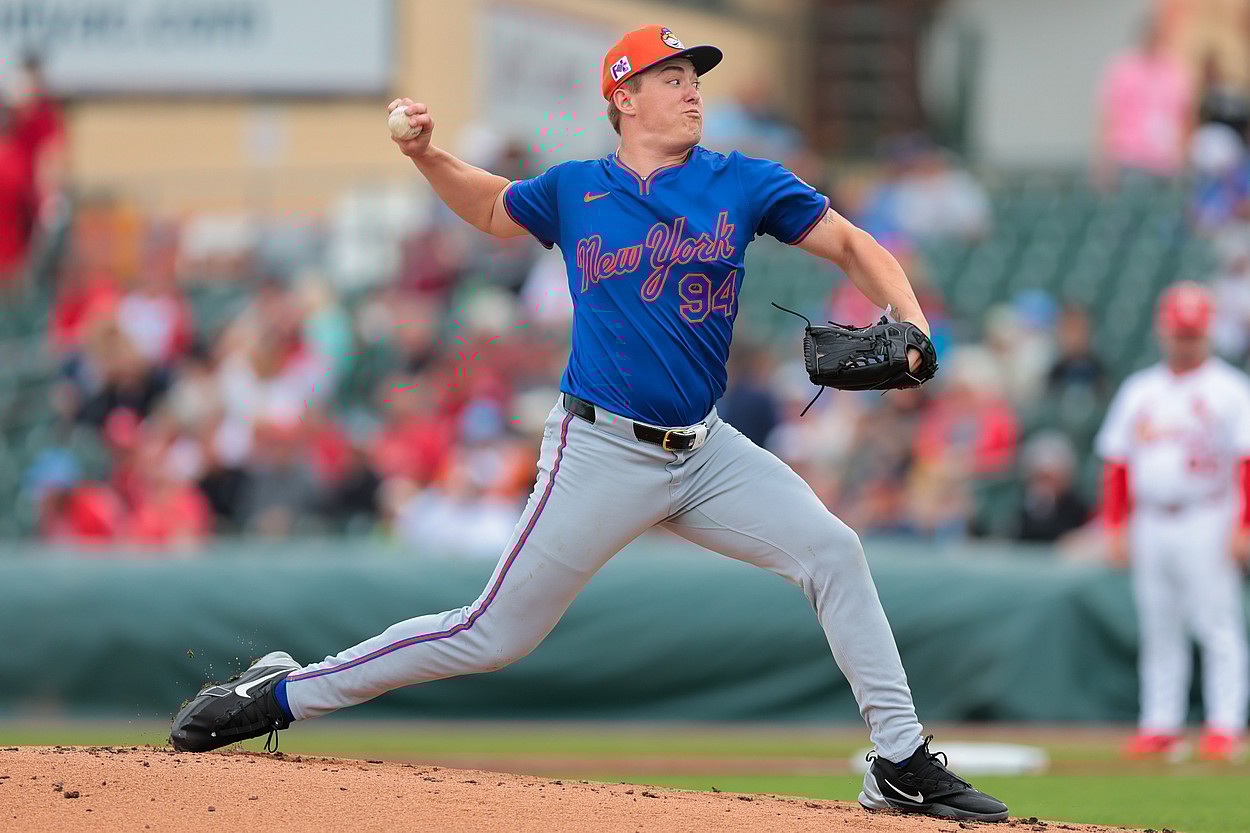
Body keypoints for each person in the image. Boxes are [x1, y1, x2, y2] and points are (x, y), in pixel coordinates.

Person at [169, 25, 1008, 822]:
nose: (690, 91)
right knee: (490, 632)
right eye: (670, 78)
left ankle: (899, 761)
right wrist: (428, 155)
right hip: (599, 448)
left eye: (694, 78)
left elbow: (855, 245)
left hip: (707, 451)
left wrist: (915, 323)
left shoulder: (742, 179)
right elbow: (495, 210)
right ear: (624, 99)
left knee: (834, 550)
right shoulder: (577, 188)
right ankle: (279, 693)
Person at [1096, 281, 1249, 763]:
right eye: (1179, 333)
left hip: (1208, 514)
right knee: (1160, 626)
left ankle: (1225, 725)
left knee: (1217, 624)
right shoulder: (1142, 388)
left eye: (1194, 334)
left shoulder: (1231, 388)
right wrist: (1116, 524)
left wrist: (1243, 525)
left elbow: (1246, 463)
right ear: (1165, 332)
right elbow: (1117, 462)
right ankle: (1160, 725)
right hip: (1151, 521)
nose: (1185, 342)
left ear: (1207, 333)